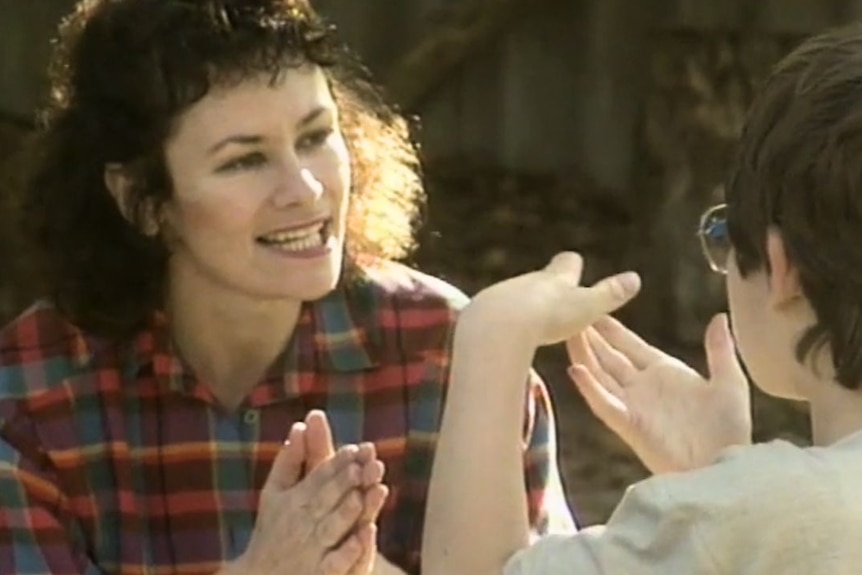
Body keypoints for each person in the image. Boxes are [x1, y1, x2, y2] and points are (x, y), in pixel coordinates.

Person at [0, 1, 573, 573]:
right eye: (244, 161)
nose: (304, 190)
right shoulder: (27, 396)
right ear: (141, 201)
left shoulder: (452, 355)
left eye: (315, 136)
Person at [422, 22, 862, 575]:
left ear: (782, 268)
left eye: (723, 235)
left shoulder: (760, 515)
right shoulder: (759, 515)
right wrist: (718, 474)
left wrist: (492, 336)